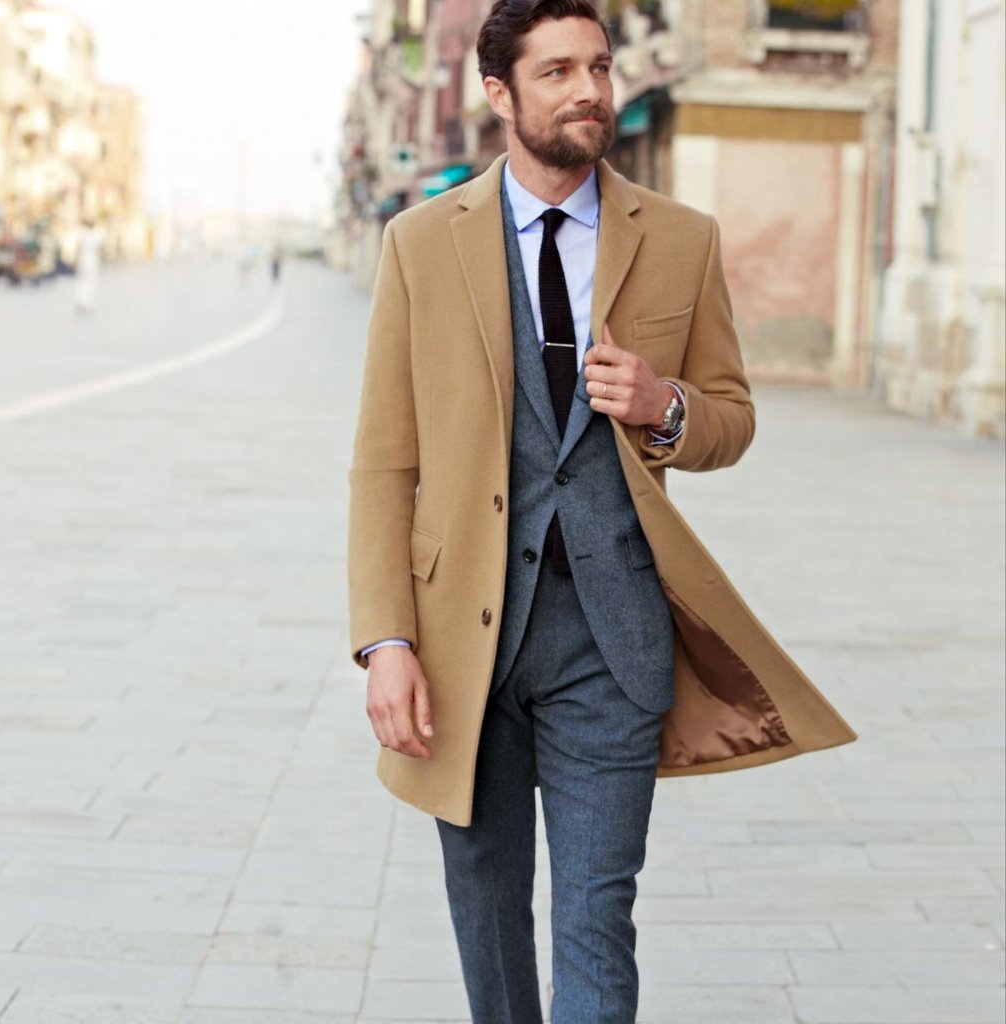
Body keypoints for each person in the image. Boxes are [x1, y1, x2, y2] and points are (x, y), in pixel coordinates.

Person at [348, 2, 856, 1020]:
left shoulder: (678, 238)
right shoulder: (419, 244)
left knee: (595, 912)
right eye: (556, 73)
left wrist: (664, 406)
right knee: (486, 907)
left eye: (599, 66)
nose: (588, 90)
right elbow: (381, 464)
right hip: (462, 647)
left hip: (613, 640)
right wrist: (384, 640)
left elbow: (731, 418)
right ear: (499, 94)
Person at [74, 220, 101, 313]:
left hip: (83, 259)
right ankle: (89, 303)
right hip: (92, 260)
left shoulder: (82, 235)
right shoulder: (95, 236)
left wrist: (76, 260)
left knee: (82, 281)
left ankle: (82, 301)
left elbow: (78, 248)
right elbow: (99, 249)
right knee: (91, 282)